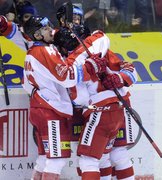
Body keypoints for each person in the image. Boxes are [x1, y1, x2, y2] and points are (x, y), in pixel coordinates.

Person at [22, 15, 106, 179]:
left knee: (44, 158)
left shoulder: (31, 52)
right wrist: (90, 66)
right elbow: (67, 77)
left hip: (39, 108)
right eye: (46, 28)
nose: (51, 30)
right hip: (50, 112)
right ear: (38, 35)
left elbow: (25, 83)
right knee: (57, 159)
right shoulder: (45, 50)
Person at [54, 26, 137, 180]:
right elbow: (130, 70)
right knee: (115, 154)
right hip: (121, 106)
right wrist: (119, 79)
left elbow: (79, 98)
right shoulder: (102, 48)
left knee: (89, 160)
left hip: (100, 112)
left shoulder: (72, 65)